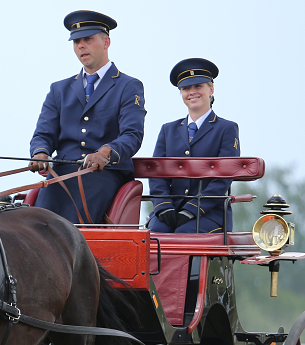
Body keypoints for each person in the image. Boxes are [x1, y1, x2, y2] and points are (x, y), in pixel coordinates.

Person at [28, 10, 145, 224]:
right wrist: (40, 152)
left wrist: (106, 152)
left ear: (106, 41)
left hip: (105, 174)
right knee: (36, 226)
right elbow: (43, 134)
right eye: (76, 42)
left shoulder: (128, 86)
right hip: (61, 173)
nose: (81, 46)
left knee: (73, 227)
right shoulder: (59, 89)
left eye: (88, 39)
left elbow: (132, 134)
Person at [147, 58, 240, 233]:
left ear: (211, 90)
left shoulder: (227, 128)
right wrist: (163, 206)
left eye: (198, 86)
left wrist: (193, 208)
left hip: (210, 212)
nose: (192, 92)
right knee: (152, 238)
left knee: (184, 235)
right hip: (171, 209)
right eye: (186, 88)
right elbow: (156, 173)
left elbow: (223, 178)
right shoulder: (168, 130)